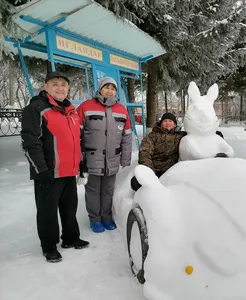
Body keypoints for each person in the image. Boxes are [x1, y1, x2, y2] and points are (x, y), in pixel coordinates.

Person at [21, 71, 89, 263]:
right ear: (46, 86)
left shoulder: (71, 110)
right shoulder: (36, 108)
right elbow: (30, 142)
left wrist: (81, 163)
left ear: (68, 88)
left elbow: (77, 140)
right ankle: (49, 246)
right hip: (49, 172)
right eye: (55, 84)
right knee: (47, 212)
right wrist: (41, 170)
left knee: (69, 208)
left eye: (63, 85)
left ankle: (70, 237)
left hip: (69, 171)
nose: (60, 88)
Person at [77, 77, 132, 233]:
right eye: (106, 87)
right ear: (100, 89)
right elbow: (75, 134)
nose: (109, 91)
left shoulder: (122, 110)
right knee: (93, 189)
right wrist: (79, 157)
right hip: (91, 158)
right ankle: (95, 219)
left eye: (112, 88)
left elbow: (127, 137)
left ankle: (106, 217)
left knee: (108, 189)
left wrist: (125, 158)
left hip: (112, 158)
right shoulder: (86, 107)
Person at [130, 112, 186, 191]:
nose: (167, 123)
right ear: (161, 123)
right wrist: (150, 172)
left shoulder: (180, 136)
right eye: (165, 121)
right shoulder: (152, 136)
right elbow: (145, 153)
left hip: (172, 171)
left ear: (175, 124)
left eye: (170, 121)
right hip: (154, 170)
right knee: (135, 182)